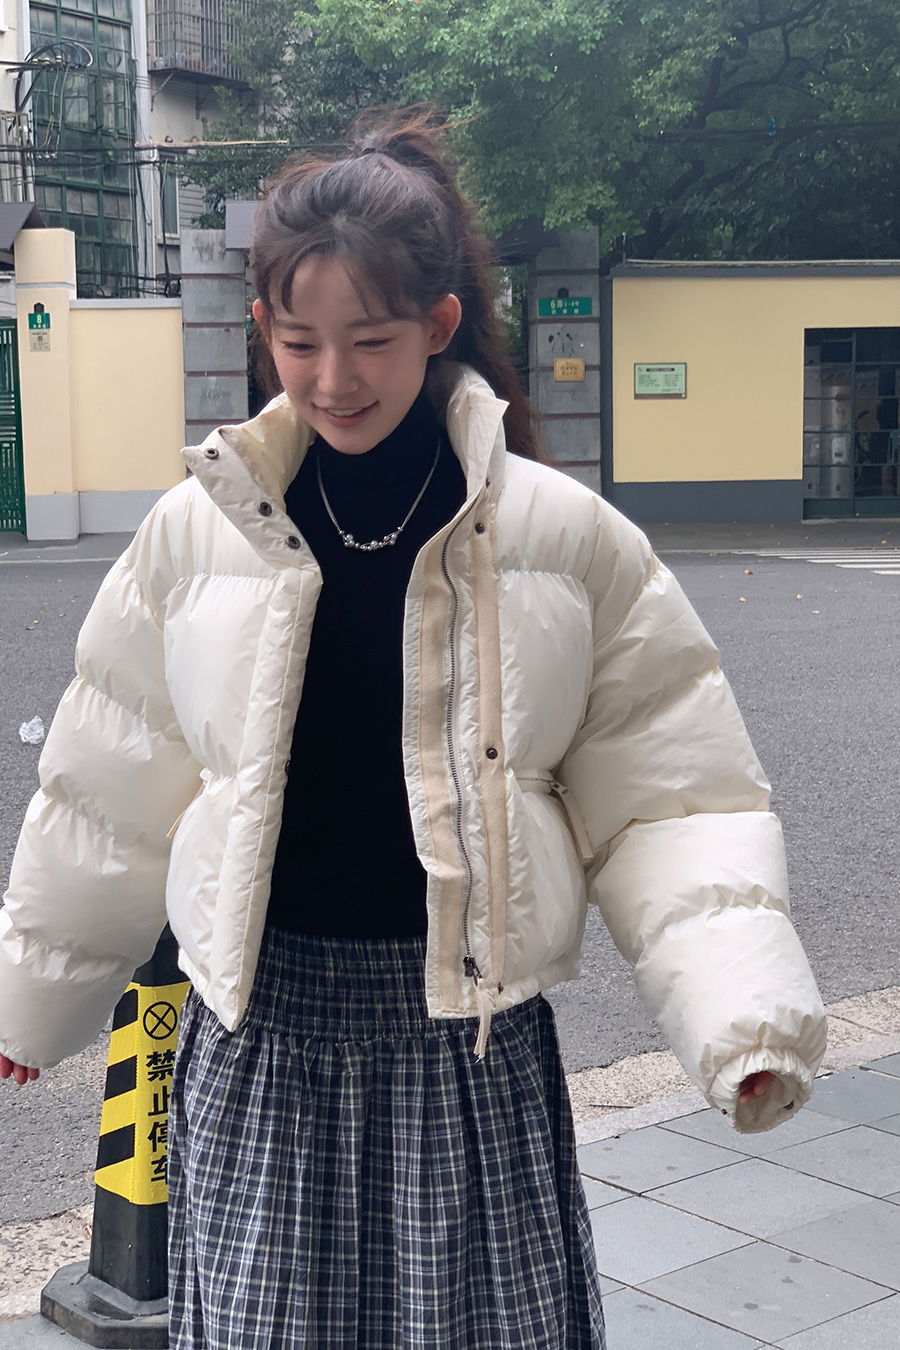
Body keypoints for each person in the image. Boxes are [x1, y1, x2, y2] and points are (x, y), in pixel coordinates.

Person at [0, 106, 826, 1348]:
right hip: (262, 1038)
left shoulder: (561, 539)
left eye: (372, 342)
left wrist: (740, 1015)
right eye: (300, 343)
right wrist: (32, 993)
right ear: (264, 329)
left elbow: (673, 795)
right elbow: (112, 781)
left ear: (439, 326)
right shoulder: (198, 532)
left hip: (467, 1049)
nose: (335, 380)